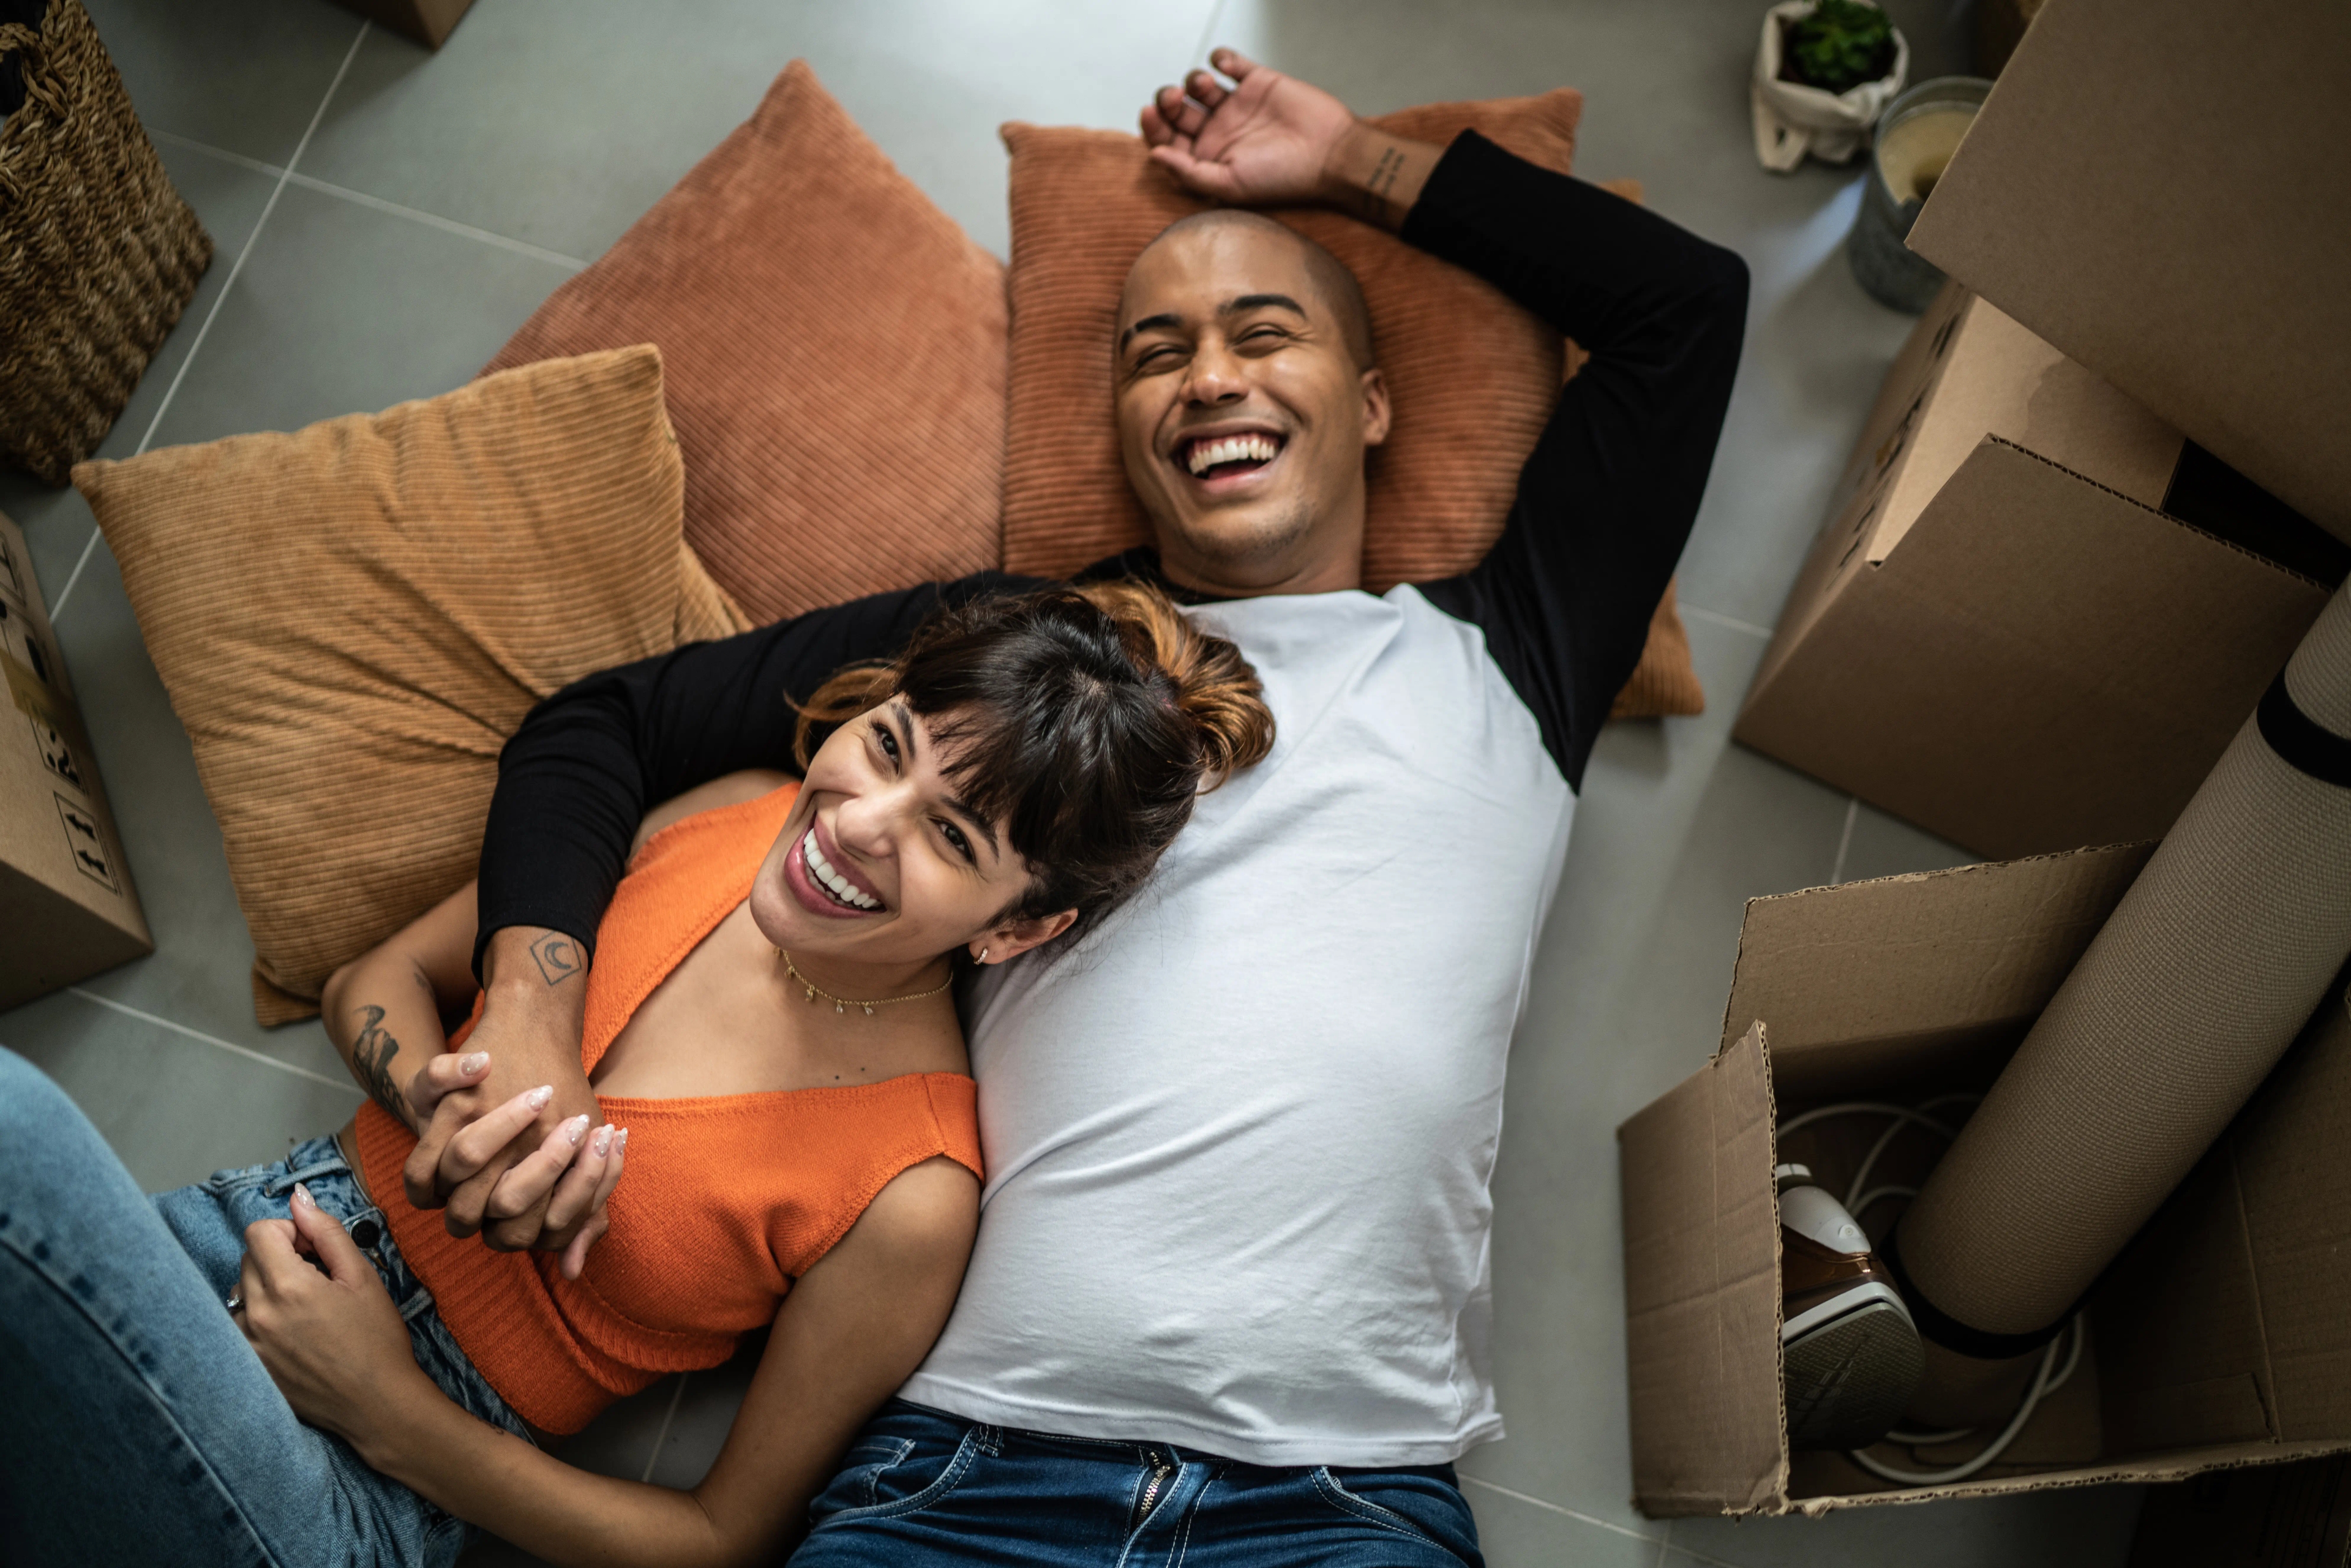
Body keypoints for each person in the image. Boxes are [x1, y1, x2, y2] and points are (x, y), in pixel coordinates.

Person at [375, 47, 1747, 1565]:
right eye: (1155, 352)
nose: (1207, 374)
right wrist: (528, 1010)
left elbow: (1685, 311)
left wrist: (1351, 159)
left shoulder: (1511, 654)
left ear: (1369, 404)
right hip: (963, 1470)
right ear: (1125, 438)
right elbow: (604, 726)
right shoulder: (1018, 658)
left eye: (1260, 333)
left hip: (1342, 1497)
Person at [0, 583, 1274, 1568]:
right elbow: (371, 984)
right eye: (888, 748)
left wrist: (387, 1407)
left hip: (354, 1486)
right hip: (213, 1246)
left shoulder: (914, 1188)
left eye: (951, 837)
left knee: (17, 1136)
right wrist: (452, 1109)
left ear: (1015, 928)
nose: (855, 825)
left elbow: (722, 1543)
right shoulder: (726, 810)